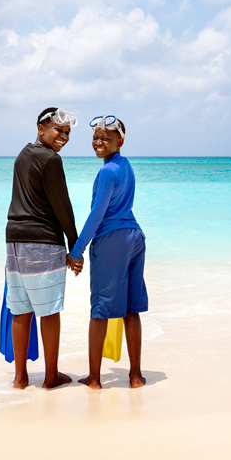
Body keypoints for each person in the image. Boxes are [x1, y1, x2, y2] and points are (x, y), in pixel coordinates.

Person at [4, 107, 85, 389]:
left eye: (67, 133)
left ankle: (20, 377)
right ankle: (51, 377)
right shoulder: (50, 160)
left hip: (14, 241)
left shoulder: (22, 155)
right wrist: (75, 247)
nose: (63, 136)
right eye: (58, 130)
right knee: (48, 311)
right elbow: (62, 206)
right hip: (42, 243)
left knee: (21, 311)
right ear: (41, 128)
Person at [69, 115, 147, 389]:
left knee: (100, 310)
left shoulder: (107, 172)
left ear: (120, 141)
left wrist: (77, 251)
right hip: (135, 238)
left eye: (105, 138)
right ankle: (135, 376)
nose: (98, 143)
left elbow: (96, 215)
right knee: (131, 310)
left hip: (112, 241)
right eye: (95, 138)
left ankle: (94, 378)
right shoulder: (126, 166)